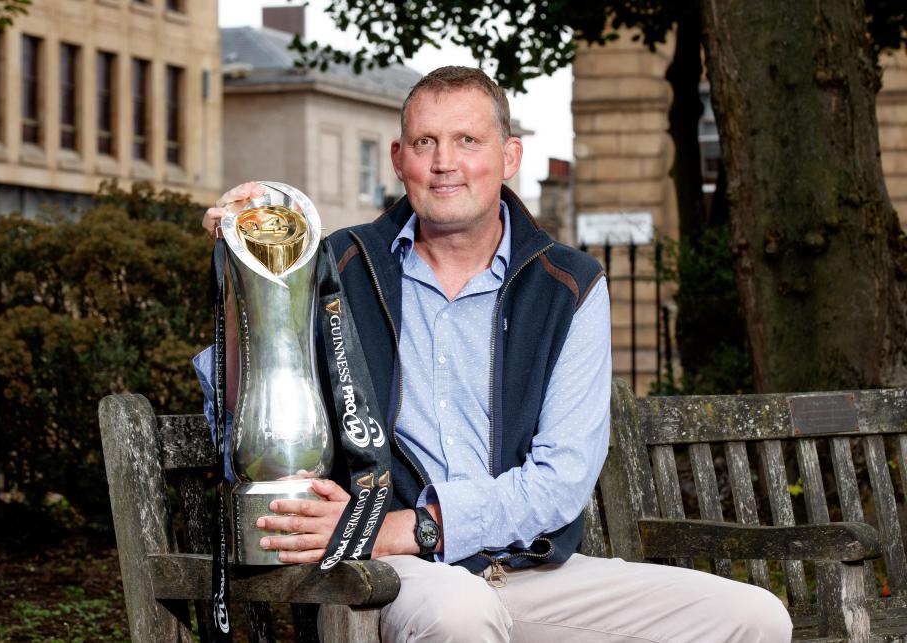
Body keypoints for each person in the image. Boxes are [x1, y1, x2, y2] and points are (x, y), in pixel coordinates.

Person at [198, 66, 792, 642]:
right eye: (425, 141)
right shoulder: (338, 267)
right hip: (389, 575)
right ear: (398, 157)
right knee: (461, 612)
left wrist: (415, 526)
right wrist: (246, 276)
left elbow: (561, 479)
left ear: (508, 158)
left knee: (753, 617)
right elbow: (249, 410)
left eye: (467, 141)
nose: (444, 162)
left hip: (524, 568)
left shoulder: (568, 283)